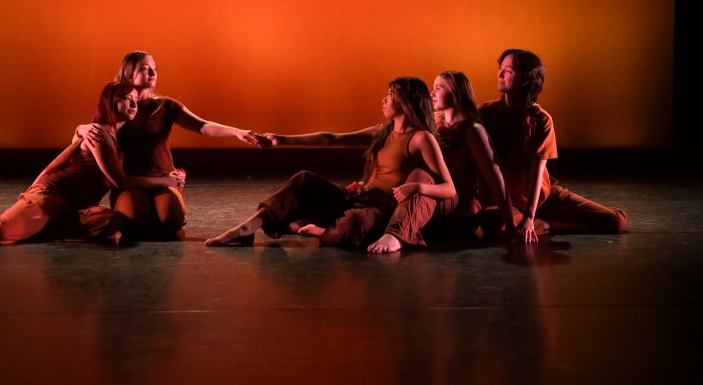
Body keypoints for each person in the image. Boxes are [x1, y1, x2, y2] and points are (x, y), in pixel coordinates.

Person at [205, 77, 456, 254]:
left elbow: (449, 188)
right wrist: (282, 140)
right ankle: (251, 226)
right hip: (356, 198)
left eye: (391, 95)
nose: (384, 99)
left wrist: (416, 188)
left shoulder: (421, 138)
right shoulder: (385, 131)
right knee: (304, 180)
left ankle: (321, 231)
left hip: (379, 210)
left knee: (354, 223)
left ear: (407, 101)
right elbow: (332, 138)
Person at [0, 82, 182, 245]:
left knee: (110, 221)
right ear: (112, 102)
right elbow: (120, 180)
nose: (134, 104)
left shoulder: (120, 141)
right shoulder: (98, 132)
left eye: (135, 100)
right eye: (127, 99)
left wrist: (173, 174)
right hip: (51, 198)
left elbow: (146, 162)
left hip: (76, 207)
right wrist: (164, 181)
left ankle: (34, 231)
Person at [86, 51, 261, 240]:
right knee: (133, 222)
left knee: (170, 220)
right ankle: (141, 209)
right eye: (145, 69)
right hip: (130, 182)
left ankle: (157, 207)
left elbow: (202, 125)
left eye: (155, 69)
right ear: (128, 74)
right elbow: (97, 129)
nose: (153, 73)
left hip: (163, 179)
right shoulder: (118, 105)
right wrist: (82, 129)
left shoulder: (165, 106)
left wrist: (236, 132)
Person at [478, 48, 628, 243]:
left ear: (526, 79)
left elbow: (537, 170)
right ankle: (533, 224)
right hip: (504, 203)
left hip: (543, 199)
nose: (500, 74)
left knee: (615, 221)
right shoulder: (485, 114)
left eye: (509, 71)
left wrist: (531, 216)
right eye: (501, 68)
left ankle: (546, 225)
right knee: (496, 223)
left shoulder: (541, 120)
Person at [426, 70, 516, 240]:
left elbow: (496, 179)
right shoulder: (434, 122)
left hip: (458, 209)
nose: (432, 94)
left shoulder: (472, 131)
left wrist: (510, 225)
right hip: (435, 196)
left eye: (438, 88)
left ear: (457, 93)